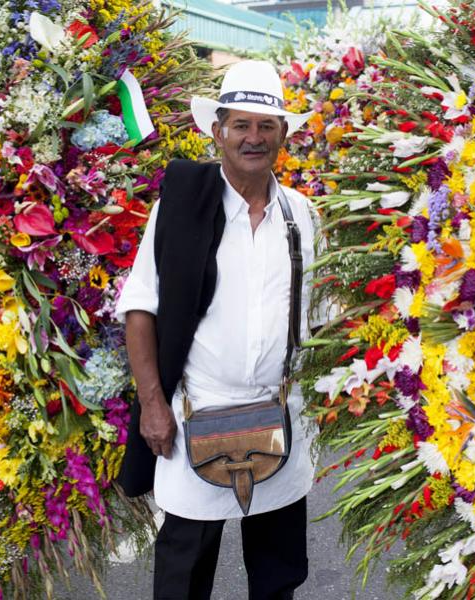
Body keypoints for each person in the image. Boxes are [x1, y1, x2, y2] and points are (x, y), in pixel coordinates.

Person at [114, 60, 321, 600]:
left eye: (266, 126)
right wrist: (152, 405)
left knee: (278, 576)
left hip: (280, 415)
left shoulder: (303, 216)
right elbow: (140, 309)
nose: (253, 138)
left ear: (282, 135)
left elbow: (321, 315)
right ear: (218, 131)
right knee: (183, 574)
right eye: (241, 125)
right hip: (193, 416)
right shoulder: (178, 209)